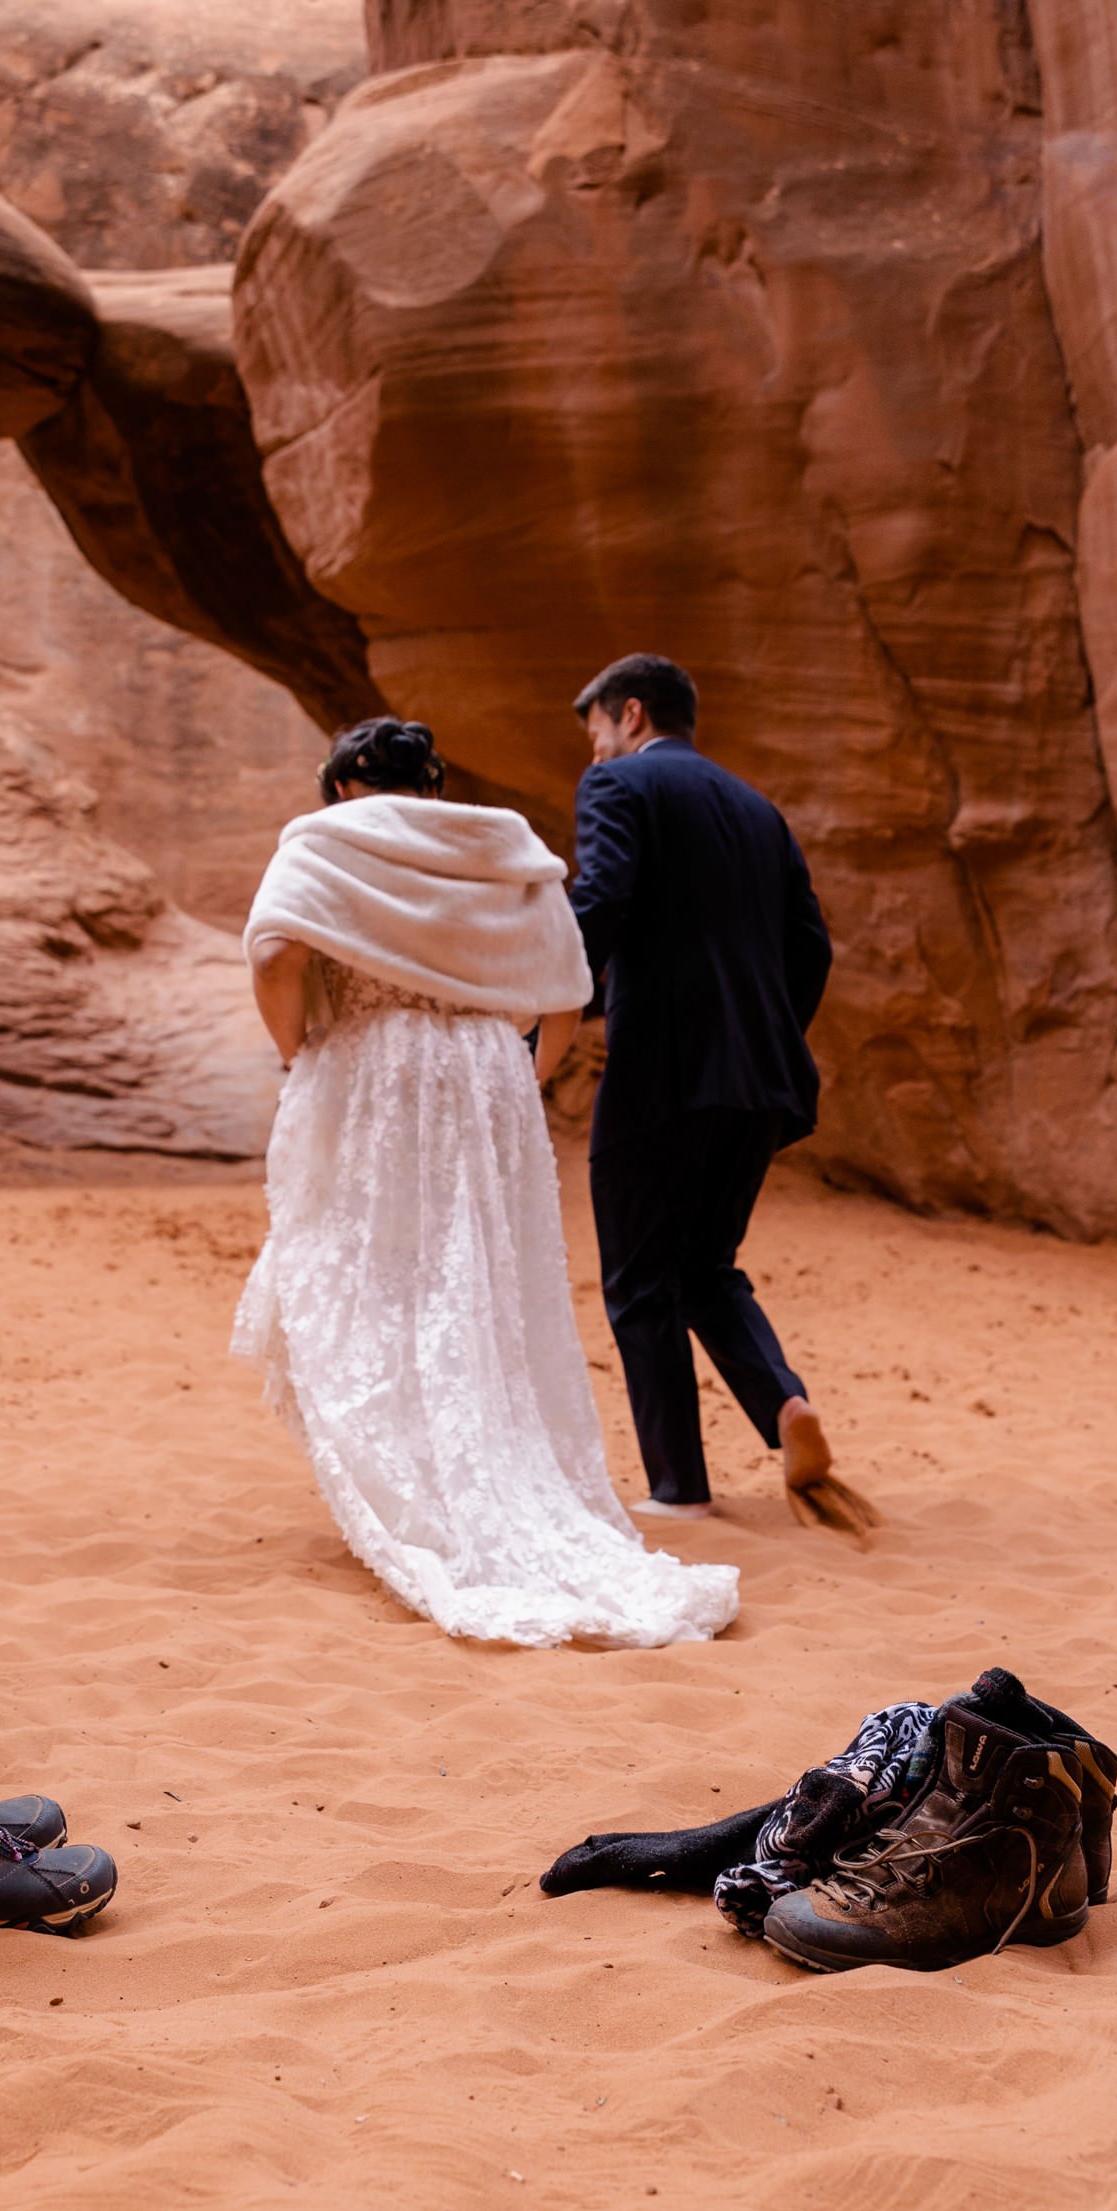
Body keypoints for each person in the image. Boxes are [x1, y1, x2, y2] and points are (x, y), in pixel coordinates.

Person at [232, 715, 738, 1649]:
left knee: (374, 1268)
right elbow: (566, 984)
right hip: (482, 1079)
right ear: (428, 784)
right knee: (471, 1275)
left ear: (342, 783)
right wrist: (522, 1075)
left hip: (377, 1072)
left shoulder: (326, 839)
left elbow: (274, 956)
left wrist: (296, 1045)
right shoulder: (497, 842)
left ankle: (417, 1482)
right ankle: (488, 1472)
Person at [569, 653, 840, 1522]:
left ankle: (677, 1488)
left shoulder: (619, 789)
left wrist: (547, 1002)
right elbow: (811, 946)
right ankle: (783, 1403)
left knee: (639, 1278)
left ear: (631, 714)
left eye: (598, 734)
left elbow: (601, 902)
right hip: (761, 1076)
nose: (597, 753)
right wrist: (764, 1032)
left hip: (662, 1068)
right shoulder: (759, 811)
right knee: (703, 1265)